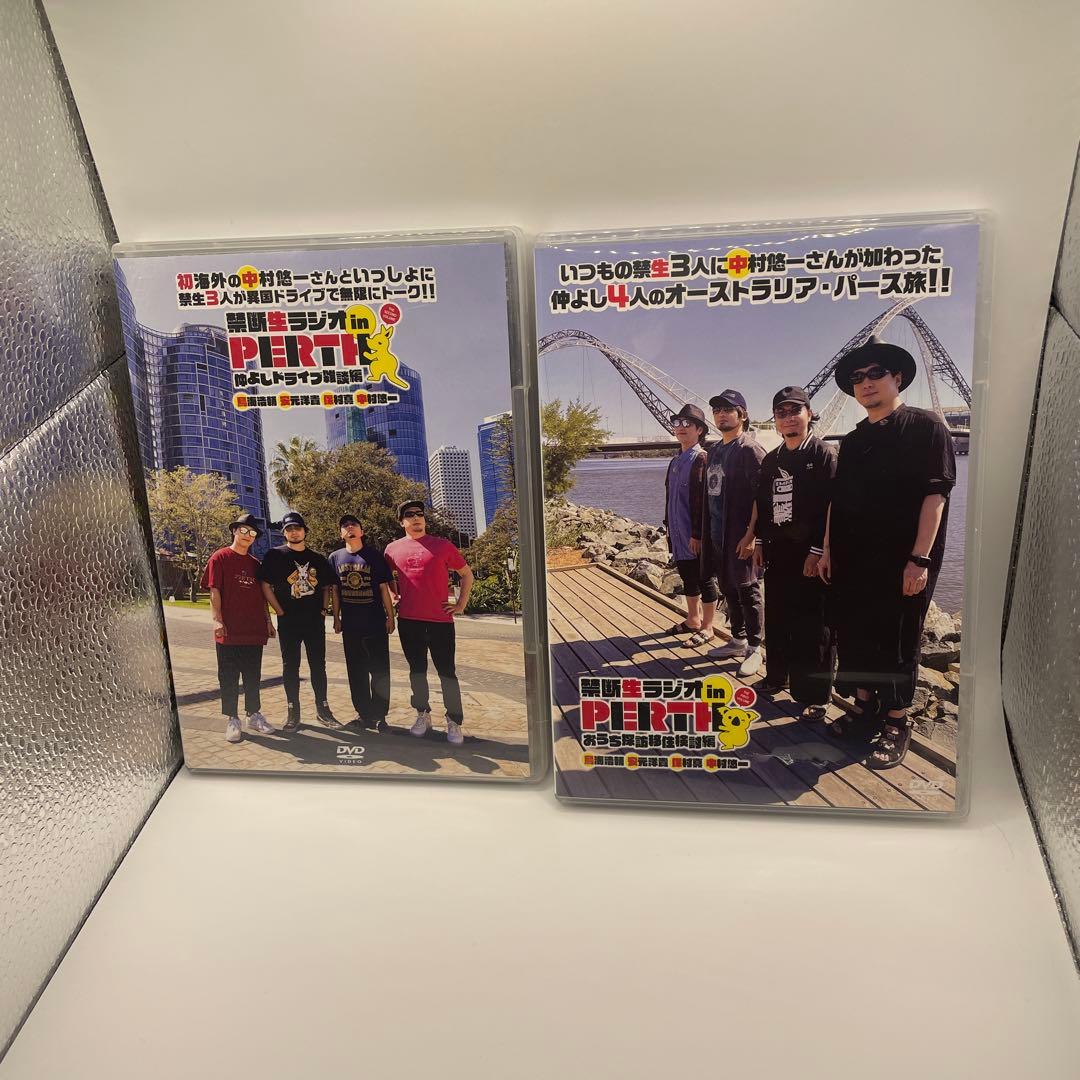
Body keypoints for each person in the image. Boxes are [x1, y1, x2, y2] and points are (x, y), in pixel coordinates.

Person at [817, 337, 956, 769]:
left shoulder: (926, 427)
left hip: (902, 560)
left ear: (897, 378)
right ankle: (864, 708)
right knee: (856, 632)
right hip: (854, 558)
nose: (866, 382)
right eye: (857, 377)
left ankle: (896, 721)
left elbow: (936, 496)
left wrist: (920, 559)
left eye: (875, 373)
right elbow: (837, 502)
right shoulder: (854, 441)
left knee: (898, 637)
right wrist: (827, 550)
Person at [738, 386, 837, 718]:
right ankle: (776, 676)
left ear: (809, 414)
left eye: (795, 410)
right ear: (775, 420)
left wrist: (818, 551)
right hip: (777, 553)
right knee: (779, 618)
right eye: (781, 413)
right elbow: (764, 504)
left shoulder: (823, 454)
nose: (788, 418)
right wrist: (759, 542)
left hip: (811, 555)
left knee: (815, 626)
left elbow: (830, 507)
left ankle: (816, 695)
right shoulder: (772, 459)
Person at [384, 500, 474, 746]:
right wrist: (393, 594)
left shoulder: (442, 546)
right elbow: (385, 577)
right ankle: (422, 714)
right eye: (410, 514)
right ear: (402, 522)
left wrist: (461, 604)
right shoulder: (392, 549)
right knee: (417, 671)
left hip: (440, 622)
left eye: (420, 514)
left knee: (447, 672)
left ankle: (454, 720)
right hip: (409, 621)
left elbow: (466, 574)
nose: (416, 517)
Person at [701, 389, 766, 676]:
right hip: (719, 535)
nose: (721, 415)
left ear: (742, 415)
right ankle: (737, 640)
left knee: (748, 590)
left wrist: (752, 536)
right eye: (717, 410)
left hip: (741, 536)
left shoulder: (750, 450)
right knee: (728, 587)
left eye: (728, 410)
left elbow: (763, 497)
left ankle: (755, 648)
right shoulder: (715, 450)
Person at [258, 511, 340, 733]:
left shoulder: (318, 558)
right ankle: (293, 711)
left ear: (305, 531)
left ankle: (323, 709)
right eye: (289, 529)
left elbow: (327, 586)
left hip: (314, 621)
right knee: (290, 666)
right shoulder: (275, 555)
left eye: (297, 528)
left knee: (318, 665)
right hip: (289, 622)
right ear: (284, 533)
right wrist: (278, 611)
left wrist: (324, 609)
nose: (294, 532)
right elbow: (264, 585)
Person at [200, 513, 276, 744]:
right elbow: (214, 590)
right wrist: (217, 620)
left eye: (252, 533)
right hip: (229, 630)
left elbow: (261, 597)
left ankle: (253, 714)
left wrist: (268, 621)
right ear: (234, 531)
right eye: (243, 530)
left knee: (253, 676)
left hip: (253, 629)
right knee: (229, 676)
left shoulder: (256, 565)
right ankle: (232, 719)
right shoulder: (220, 558)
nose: (247, 536)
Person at [330, 514, 395, 733]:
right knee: (356, 671)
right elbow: (335, 591)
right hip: (351, 625)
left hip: (375, 622)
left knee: (380, 671)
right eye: (345, 526)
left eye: (354, 525)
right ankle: (363, 714)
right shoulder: (335, 558)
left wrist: (391, 616)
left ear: (361, 531)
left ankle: (380, 715)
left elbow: (383, 589)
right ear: (341, 534)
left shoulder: (374, 556)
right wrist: (336, 617)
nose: (350, 527)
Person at [663, 404, 718, 647]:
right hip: (677, 531)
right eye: (677, 423)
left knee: (703, 577)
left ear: (700, 430)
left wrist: (698, 534)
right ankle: (693, 619)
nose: (681, 428)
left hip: (694, 533)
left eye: (688, 424)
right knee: (687, 576)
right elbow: (670, 498)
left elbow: (703, 502)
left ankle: (708, 627)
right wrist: (668, 529)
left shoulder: (702, 459)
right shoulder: (675, 461)